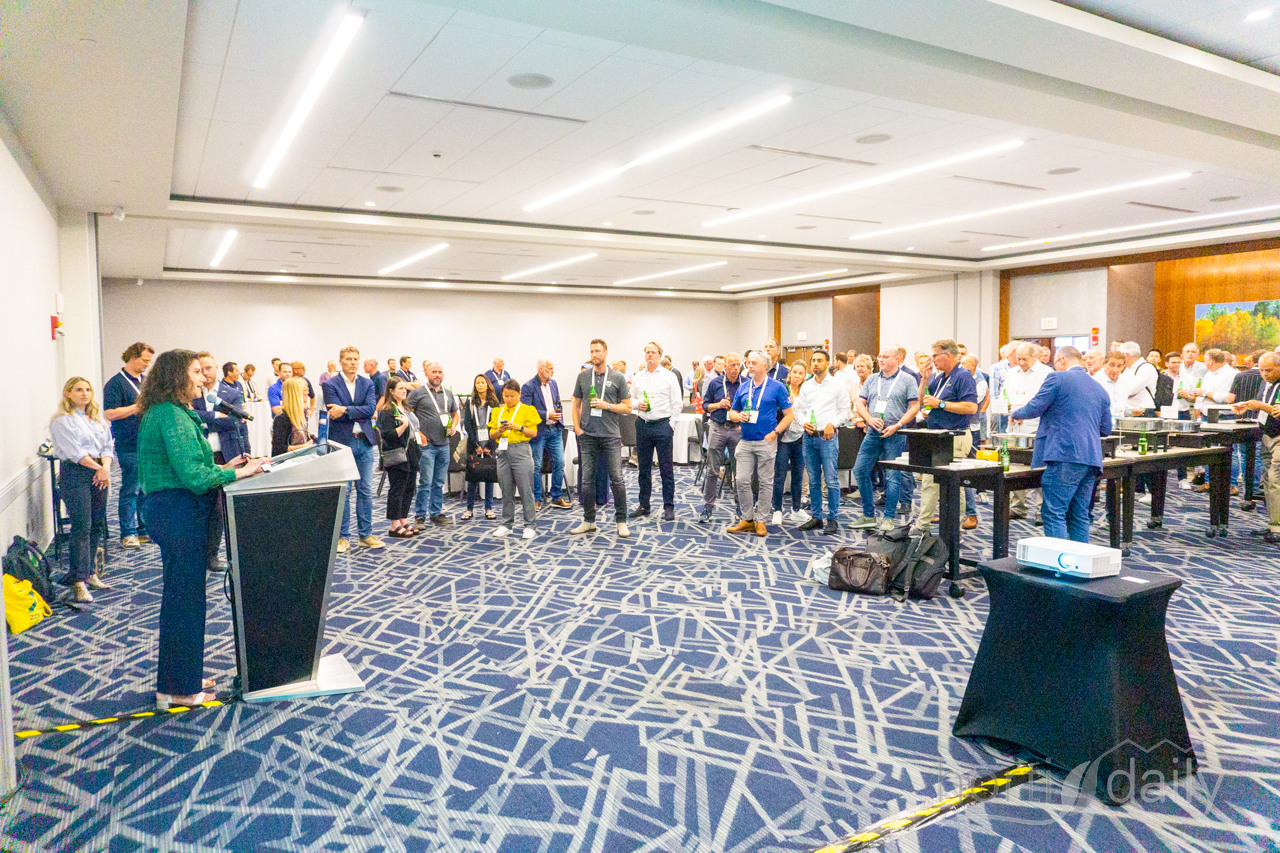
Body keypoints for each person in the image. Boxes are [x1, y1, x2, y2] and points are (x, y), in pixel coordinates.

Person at [137, 349, 266, 708]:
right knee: (184, 602)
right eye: (195, 372)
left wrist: (229, 466)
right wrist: (239, 473)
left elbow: (192, 465)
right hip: (178, 511)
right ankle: (177, 688)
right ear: (176, 377)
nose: (203, 378)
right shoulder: (170, 415)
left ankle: (183, 676)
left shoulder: (171, 411)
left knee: (185, 599)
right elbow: (193, 476)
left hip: (176, 509)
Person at [1009, 347, 1112, 542]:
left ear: (1061, 359)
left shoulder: (1057, 378)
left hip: (1064, 454)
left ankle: (1059, 559)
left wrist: (1015, 413)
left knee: (1054, 512)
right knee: (1079, 515)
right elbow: (1106, 429)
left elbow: (1036, 406)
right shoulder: (1099, 388)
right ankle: (1078, 560)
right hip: (1091, 459)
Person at [50, 377, 114, 602]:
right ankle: (78, 582)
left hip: (99, 471)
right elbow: (75, 452)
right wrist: (100, 469)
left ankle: (90, 572)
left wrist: (105, 468)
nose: (85, 393)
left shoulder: (97, 419)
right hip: (76, 473)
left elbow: (108, 446)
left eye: (88, 389)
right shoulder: (62, 421)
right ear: (68, 393)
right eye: (78, 390)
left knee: (97, 523)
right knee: (82, 526)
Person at [849, 347, 920, 532]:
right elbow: (860, 403)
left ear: (897, 359)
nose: (881, 359)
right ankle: (868, 515)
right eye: (879, 357)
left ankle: (889, 518)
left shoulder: (907, 379)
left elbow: (914, 406)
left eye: (885, 357)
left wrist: (899, 424)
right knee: (860, 470)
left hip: (895, 433)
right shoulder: (872, 379)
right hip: (873, 431)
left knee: (892, 476)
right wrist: (869, 419)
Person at [912, 339, 978, 535]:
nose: (932, 360)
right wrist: (924, 379)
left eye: (935, 355)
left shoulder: (963, 376)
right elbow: (923, 400)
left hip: (955, 436)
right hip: (936, 437)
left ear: (948, 355)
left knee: (953, 484)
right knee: (929, 482)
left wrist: (941, 404)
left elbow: (971, 407)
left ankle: (954, 529)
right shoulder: (940, 377)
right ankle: (923, 526)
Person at [322, 346, 383, 553]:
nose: (353, 362)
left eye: (356, 359)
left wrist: (346, 409)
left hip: (364, 441)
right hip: (342, 442)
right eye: (348, 359)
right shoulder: (330, 384)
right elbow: (334, 413)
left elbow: (371, 409)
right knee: (345, 491)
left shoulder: (367, 383)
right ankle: (343, 537)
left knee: (365, 490)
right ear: (341, 361)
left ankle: (365, 535)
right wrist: (358, 411)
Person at [725, 351, 793, 537]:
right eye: (749, 362)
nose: (750, 365)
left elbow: (789, 415)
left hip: (766, 440)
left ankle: (761, 520)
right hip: (745, 440)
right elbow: (732, 412)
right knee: (741, 480)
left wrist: (775, 433)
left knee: (765, 481)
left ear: (765, 366)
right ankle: (747, 519)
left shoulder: (777, 387)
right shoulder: (744, 387)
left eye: (754, 363)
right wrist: (737, 416)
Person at [570, 338, 631, 538]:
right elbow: (576, 404)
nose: (594, 354)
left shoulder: (618, 377)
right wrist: (577, 428)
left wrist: (607, 406)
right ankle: (589, 521)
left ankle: (621, 521)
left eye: (598, 351)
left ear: (605, 353)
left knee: (617, 479)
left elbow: (628, 407)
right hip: (588, 435)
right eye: (592, 351)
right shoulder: (583, 377)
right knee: (587, 480)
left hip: (610, 435)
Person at [792, 349, 849, 534]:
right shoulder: (806, 386)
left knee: (831, 480)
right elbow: (798, 411)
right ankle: (816, 517)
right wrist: (803, 423)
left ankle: (832, 519)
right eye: (813, 361)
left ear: (827, 363)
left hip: (828, 437)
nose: (815, 363)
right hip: (809, 437)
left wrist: (833, 424)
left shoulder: (837, 385)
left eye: (819, 360)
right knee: (814, 480)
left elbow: (845, 411)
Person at [103, 341, 153, 549]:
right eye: (144, 360)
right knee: (131, 489)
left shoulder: (146, 382)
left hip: (148, 443)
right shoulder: (116, 384)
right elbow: (109, 414)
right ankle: (128, 533)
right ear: (132, 357)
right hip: (129, 444)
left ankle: (143, 530)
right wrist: (136, 407)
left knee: (145, 489)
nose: (147, 365)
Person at [629, 341, 683, 522]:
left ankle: (668, 507)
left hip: (663, 425)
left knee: (666, 469)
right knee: (643, 469)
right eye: (647, 352)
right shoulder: (638, 376)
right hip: (643, 425)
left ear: (660, 355)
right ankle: (644, 505)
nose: (650, 355)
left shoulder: (669, 376)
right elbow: (631, 399)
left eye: (653, 352)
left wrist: (671, 425)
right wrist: (637, 405)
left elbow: (677, 403)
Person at [1233, 352, 1280, 542]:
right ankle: (1273, 524)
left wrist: (1259, 405)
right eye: (1261, 370)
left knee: (1275, 479)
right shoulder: (1265, 383)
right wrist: (1249, 406)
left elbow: (1275, 411)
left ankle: (1277, 527)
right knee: (1267, 481)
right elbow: (1267, 407)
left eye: (1268, 370)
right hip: (1267, 434)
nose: (1264, 374)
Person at [407, 362, 459, 527]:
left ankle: (436, 513)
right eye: (434, 372)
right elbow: (407, 414)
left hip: (444, 444)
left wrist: (454, 426)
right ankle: (420, 516)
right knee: (425, 482)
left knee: (439, 482)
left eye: (440, 372)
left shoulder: (448, 394)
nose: (437, 375)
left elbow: (455, 414)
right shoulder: (417, 393)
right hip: (426, 445)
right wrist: (418, 432)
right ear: (426, 374)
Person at [1005, 342, 1051, 521]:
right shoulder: (1012, 373)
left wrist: (1024, 413)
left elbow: (1043, 401)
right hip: (1014, 425)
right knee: (1015, 466)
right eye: (1018, 359)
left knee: (1040, 468)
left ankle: (1041, 510)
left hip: (1036, 425)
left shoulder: (1046, 373)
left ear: (1035, 356)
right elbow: (1007, 395)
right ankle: (1018, 506)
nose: (1021, 362)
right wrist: (1011, 411)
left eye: (1024, 359)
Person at [491, 379, 542, 539]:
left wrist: (519, 427)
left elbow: (533, 433)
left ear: (519, 394)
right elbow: (491, 434)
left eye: (512, 396)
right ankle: (506, 524)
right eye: (506, 396)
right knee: (506, 490)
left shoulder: (527, 409)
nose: (509, 399)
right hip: (502, 451)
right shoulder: (497, 411)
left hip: (521, 451)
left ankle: (530, 525)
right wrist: (499, 430)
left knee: (526, 490)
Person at [698, 351, 744, 523]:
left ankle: (741, 507)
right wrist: (718, 405)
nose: (736, 368)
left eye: (738, 365)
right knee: (712, 470)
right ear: (725, 366)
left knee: (739, 472)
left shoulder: (745, 383)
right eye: (732, 365)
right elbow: (705, 406)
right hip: (717, 428)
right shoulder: (715, 383)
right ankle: (708, 507)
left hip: (737, 430)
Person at [521, 359, 571, 510]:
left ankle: (556, 497)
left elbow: (557, 403)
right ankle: (536, 499)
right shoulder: (528, 386)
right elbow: (527, 410)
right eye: (550, 368)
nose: (553, 371)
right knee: (536, 465)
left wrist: (557, 414)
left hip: (555, 430)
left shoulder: (553, 384)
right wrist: (547, 414)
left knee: (560, 462)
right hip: (539, 431)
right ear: (541, 369)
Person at [376, 376, 421, 539]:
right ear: (391, 391)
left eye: (405, 388)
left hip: (411, 451)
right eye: (400, 388)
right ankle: (394, 524)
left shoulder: (406, 407)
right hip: (396, 452)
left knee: (409, 487)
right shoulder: (387, 411)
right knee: (397, 489)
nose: (404, 391)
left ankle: (403, 520)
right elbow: (388, 436)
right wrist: (404, 425)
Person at [771, 360, 808, 526]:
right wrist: (786, 406)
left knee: (798, 475)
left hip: (800, 437)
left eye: (801, 373)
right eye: (795, 372)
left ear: (804, 376)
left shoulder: (806, 392)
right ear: (790, 374)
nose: (797, 376)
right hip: (783, 438)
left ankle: (796, 509)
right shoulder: (783, 390)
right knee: (779, 475)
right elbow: (774, 411)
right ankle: (777, 509)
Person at [192, 352, 244, 465]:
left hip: (227, 453)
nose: (205, 373)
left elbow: (235, 421)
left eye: (208, 368)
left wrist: (204, 423)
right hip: (201, 454)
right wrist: (215, 415)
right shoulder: (192, 394)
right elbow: (190, 416)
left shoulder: (232, 393)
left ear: (216, 367)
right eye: (200, 370)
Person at [462, 374, 498, 520]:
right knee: (473, 477)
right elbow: (467, 424)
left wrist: (489, 445)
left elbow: (496, 425)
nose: (480, 385)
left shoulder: (494, 402)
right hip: (474, 444)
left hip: (490, 443)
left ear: (487, 384)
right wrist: (475, 444)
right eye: (477, 383)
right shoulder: (470, 402)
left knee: (489, 475)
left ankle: (489, 508)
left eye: (483, 382)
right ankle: (469, 509)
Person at [270, 377, 313, 456]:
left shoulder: (301, 416)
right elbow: (279, 450)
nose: (307, 393)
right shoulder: (282, 419)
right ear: (296, 394)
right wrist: (304, 446)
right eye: (305, 390)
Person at [218, 362, 251, 455]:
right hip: (231, 422)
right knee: (235, 448)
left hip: (242, 421)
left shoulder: (239, 384)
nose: (239, 372)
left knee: (246, 445)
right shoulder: (222, 387)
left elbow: (242, 400)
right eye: (236, 370)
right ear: (229, 373)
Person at [1118, 342, 1158, 415]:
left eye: (1119, 355)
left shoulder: (1146, 368)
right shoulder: (1127, 369)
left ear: (1126, 355)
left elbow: (1130, 390)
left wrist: (1121, 391)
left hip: (1143, 410)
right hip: (1129, 410)